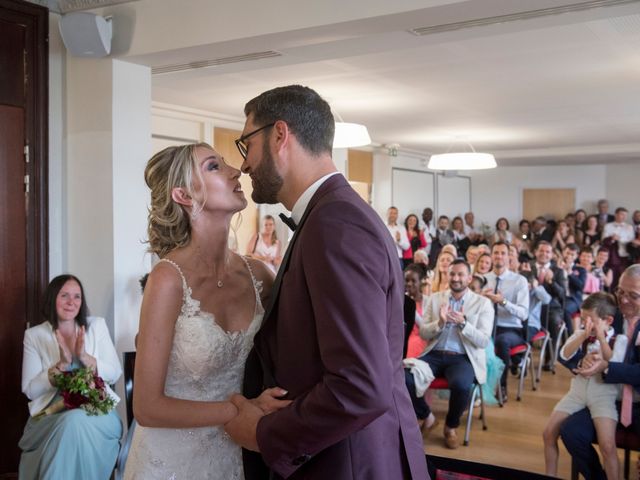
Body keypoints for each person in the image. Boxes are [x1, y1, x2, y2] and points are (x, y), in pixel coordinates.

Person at [229, 85, 428, 479]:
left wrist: (265, 433)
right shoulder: (333, 214)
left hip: (348, 461)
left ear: (280, 135)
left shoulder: (335, 222)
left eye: (246, 144)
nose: (245, 165)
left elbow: (360, 384)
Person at [124, 143, 285, 479]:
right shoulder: (168, 279)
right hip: (171, 461)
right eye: (214, 166)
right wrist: (241, 410)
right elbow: (147, 407)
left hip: (239, 456)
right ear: (183, 194)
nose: (235, 170)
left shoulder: (259, 276)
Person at [19, 274, 123, 480]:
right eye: (64, 295)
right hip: (50, 414)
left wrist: (85, 357)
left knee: (74, 423)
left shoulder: (97, 326)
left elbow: (114, 373)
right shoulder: (34, 335)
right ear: (52, 299)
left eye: (77, 297)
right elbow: (30, 390)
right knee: (70, 425)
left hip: (97, 411)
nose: (71, 302)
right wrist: (62, 364)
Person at [560, 265, 640, 480]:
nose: (623, 300)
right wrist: (582, 362)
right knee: (571, 432)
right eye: (620, 292)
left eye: (633, 295)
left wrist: (607, 366)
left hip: (638, 402)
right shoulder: (610, 314)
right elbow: (566, 353)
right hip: (606, 396)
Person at [405, 260, 493, 449]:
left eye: (460, 274)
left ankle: (451, 426)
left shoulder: (483, 304)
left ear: (469, 278)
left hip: (462, 357)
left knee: (461, 385)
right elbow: (423, 333)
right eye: (452, 274)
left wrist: (464, 324)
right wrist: (440, 323)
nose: (455, 278)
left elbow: (484, 341)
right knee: (404, 377)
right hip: (434, 353)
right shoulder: (435, 299)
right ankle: (427, 417)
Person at [543, 292, 625, 479]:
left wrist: (602, 340)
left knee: (607, 445)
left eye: (591, 320)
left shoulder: (618, 340)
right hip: (577, 392)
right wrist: (582, 337)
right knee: (548, 433)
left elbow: (614, 363)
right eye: (583, 318)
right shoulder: (581, 334)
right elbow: (564, 355)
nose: (585, 324)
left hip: (603, 395)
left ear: (608, 320)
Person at [483, 241, 530, 400]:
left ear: (509, 257)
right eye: (496, 252)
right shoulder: (484, 279)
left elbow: (523, 314)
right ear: (491, 255)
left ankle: (501, 386)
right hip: (487, 325)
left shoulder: (519, 281)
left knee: (501, 342)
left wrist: (503, 302)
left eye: (503, 253)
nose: (499, 256)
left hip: (510, 328)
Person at [404, 263, 429, 359]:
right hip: (404, 339)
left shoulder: (428, 301)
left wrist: (410, 308)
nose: (409, 284)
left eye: (413, 281)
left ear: (420, 282)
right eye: (407, 280)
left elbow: (425, 327)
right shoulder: (400, 300)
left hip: (422, 340)